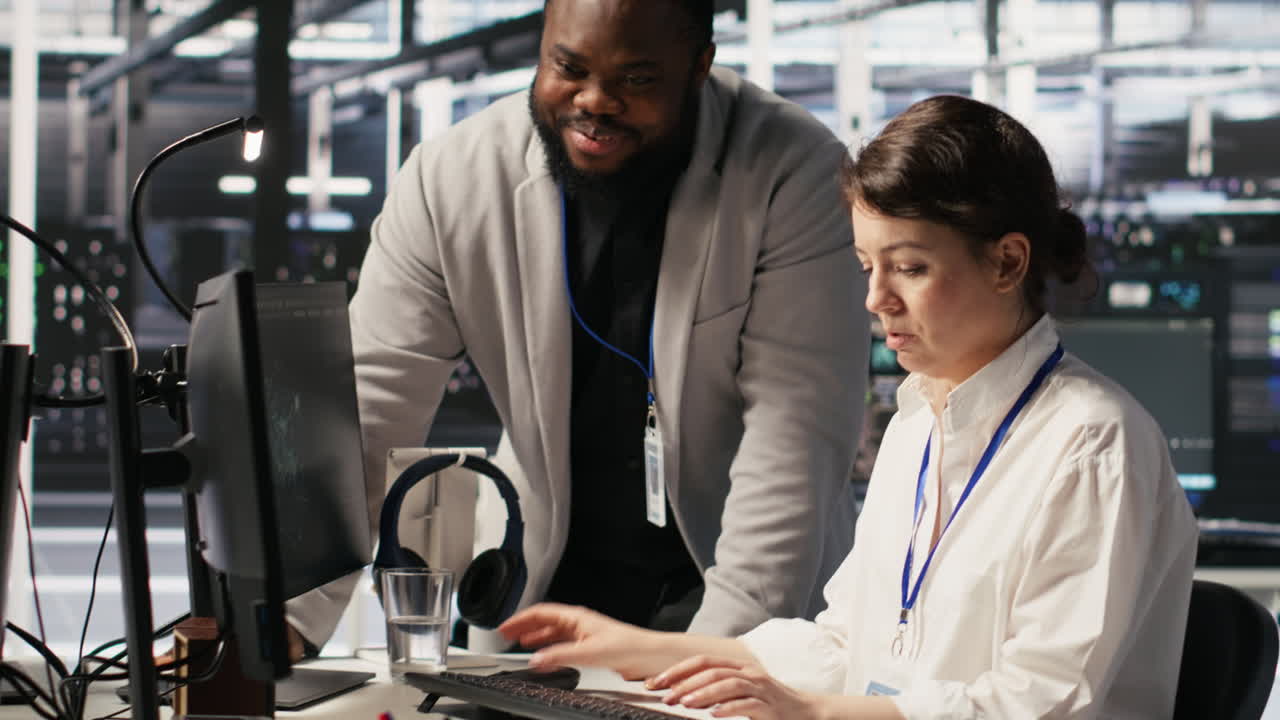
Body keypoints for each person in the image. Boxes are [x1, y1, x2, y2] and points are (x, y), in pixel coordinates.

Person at [498, 94, 1199, 719]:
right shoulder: (918, 424)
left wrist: (812, 715)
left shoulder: (1091, 444)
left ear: (1008, 262)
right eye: (869, 267)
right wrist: (645, 648)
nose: (876, 299)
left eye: (910, 268)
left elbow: (1042, 704)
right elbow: (845, 644)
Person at [285, 0, 869, 652]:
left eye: (636, 79)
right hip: (547, 587)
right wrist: (289, 616)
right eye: (569, 68)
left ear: (699, 66)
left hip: (735, 587)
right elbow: (369, 408)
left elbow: (793, 444)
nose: (595, 101)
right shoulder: (450, 179)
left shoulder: (794, 172)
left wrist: (714, 662)